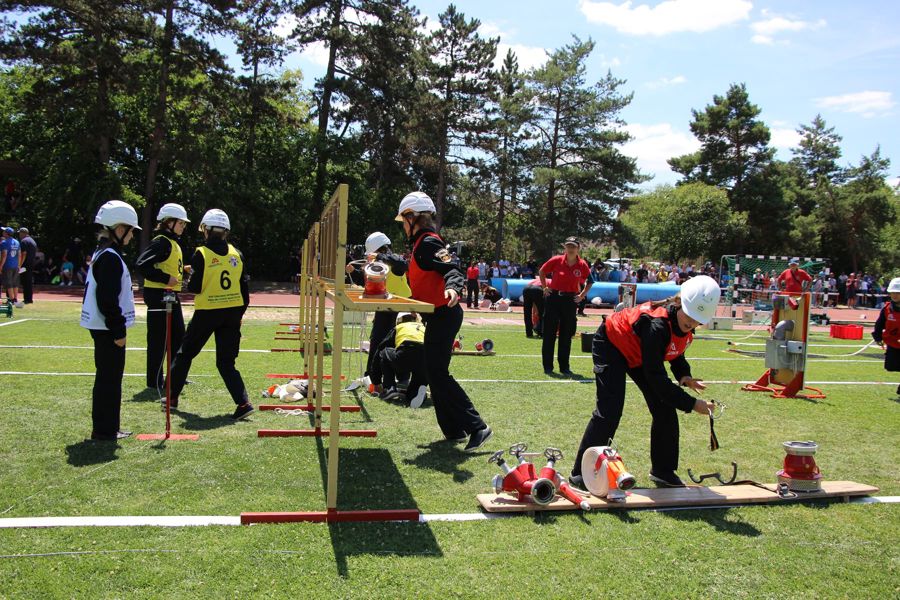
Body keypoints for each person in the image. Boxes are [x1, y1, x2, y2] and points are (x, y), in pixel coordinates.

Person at [569, 275, 721, 488]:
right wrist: (693, 404)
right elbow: (656, 378)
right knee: (609, 410)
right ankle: (580, 474)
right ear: (678, 303)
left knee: (664, 408)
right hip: (611, 344)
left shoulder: (681, 324)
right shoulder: (656, 326)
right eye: (689, 316)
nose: (692, 323)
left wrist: (683, 375)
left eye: (697, 320)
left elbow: (675, 351)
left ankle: (663, 471)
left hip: (639, 352)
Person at [396, 191, 492, 452]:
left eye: (404, 221)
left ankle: (477, 427)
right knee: (434, 372)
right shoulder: (421, 245)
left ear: (412, 217)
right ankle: (454, 430)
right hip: (438, 316)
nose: (403, 226)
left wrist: (453, 287)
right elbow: (419, 271)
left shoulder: (428, 242)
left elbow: (452, 268)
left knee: (437, 372)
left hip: (445, 315)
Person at [165, 209, 253, 419]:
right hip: (232, 313)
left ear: (206, 229)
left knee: (185, 354)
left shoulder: (201, 253)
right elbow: (245, 292)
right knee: (226, 362)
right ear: (225, 231)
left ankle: (171, 397)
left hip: (207, 312)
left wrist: (191, 275)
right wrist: (239, 315)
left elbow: (195, 288)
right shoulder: (237, 253)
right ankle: (243, 403)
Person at [80, 200, 140, 441]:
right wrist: (118, 329)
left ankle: (108, 427)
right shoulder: (110, 257)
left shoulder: (103, 253)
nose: (132, 236)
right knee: (109, 379)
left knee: (109, 378)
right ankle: (105, 430)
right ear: (119, 228)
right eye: (131, 230)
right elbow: (107, 298)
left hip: (102, 326)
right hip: (107, 328)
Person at [136, 203, 190, 391]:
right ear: (169, 222)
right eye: (180, 223)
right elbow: (142, 265)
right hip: (159, 295)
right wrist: (166, 278)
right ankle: (154, 381)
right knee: (158, 340)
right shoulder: (161, 242)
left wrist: (182, 271)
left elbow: (165, 264)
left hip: (170, 295)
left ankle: (174, 376)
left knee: (178, 337)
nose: (183, 227)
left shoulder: (172, 243)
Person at [346, 231, 411, 386]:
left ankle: (400, 378)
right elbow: (369, 283)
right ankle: (373, 377)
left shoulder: (392, 259)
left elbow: (403, 264)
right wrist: (354, 272)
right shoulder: (380, 263)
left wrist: (379, 257)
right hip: (387, 305)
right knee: (378, 340)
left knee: (399, 341)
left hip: (402, 307)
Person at [539, 237, 592, 375]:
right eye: (568, 246)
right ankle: (548, 367)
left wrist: (581, 295)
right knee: (549, 333)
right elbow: (542, 271)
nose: (570, 249)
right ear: (565, 248)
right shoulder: (556, 260)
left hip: (569, 301)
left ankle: (564, 367)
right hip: (554, 298)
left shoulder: (582, 264)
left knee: (566, 334)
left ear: (578, 248)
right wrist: (545, 287)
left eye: (573, 246)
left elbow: (590, 281)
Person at [370, 312, 428, 408]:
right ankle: (415, 392)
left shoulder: (399, 327)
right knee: (418, 377)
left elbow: (380, 349)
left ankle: (389, 388)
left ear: (399, 320)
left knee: (384, 352)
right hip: (425, 359)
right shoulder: (423, 328)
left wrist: (376, 381)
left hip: (405, 353)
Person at [873, 277, 900, 396]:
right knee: (891, 366)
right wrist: (877, 337)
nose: (894, 295)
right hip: (893, 342)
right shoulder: (887, 308)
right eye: (893, 292)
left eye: (897, 293)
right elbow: (879, 323)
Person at [1, 227, 23, 307]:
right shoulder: (17, 242)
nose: (3, 232)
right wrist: (19, 265)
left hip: (7, 265)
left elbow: (4, 255)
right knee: (15, 283)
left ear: (6, 233)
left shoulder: (4, 242)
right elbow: (19, 254)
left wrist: (0, 266)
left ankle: (12, 300)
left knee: (8, 283)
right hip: (15, 265)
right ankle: (15, 299)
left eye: (4, 231)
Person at [17, 227, 37, 304]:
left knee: (25, 282)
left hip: (25, 265)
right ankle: (29, 298)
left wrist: (19, 264)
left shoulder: (24, 241)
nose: (19, 235)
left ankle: (27, 299)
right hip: (31, 264)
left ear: (23, 233)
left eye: (20, 233)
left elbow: (24, 254)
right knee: (28, 282)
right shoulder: (32, 241)